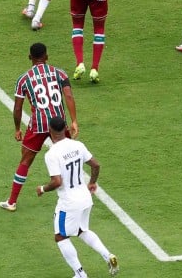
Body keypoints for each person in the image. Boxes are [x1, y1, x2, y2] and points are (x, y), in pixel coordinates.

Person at [0, 43, 79, 213]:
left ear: (30, 57)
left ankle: (12, 201)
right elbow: (69, 95)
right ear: (47, 56)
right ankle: (76, 195)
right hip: (58, 123)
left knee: (25, 161)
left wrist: (17, 129)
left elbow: (18, 108)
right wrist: (74, 121)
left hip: (38, 124)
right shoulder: (60, 73)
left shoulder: (24, 79)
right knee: (68, 158)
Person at [36, 116, 119, 277]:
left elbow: (57, 181)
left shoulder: (52, 154)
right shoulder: (78, 145)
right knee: (81, 230)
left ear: (50, 131)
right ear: (65, 128)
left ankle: (80, 274)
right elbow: (96, 165)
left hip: (69, 202)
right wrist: (92, 182)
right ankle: (108, 256)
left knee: (60, 236)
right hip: (85, 197)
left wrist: (42, 189)